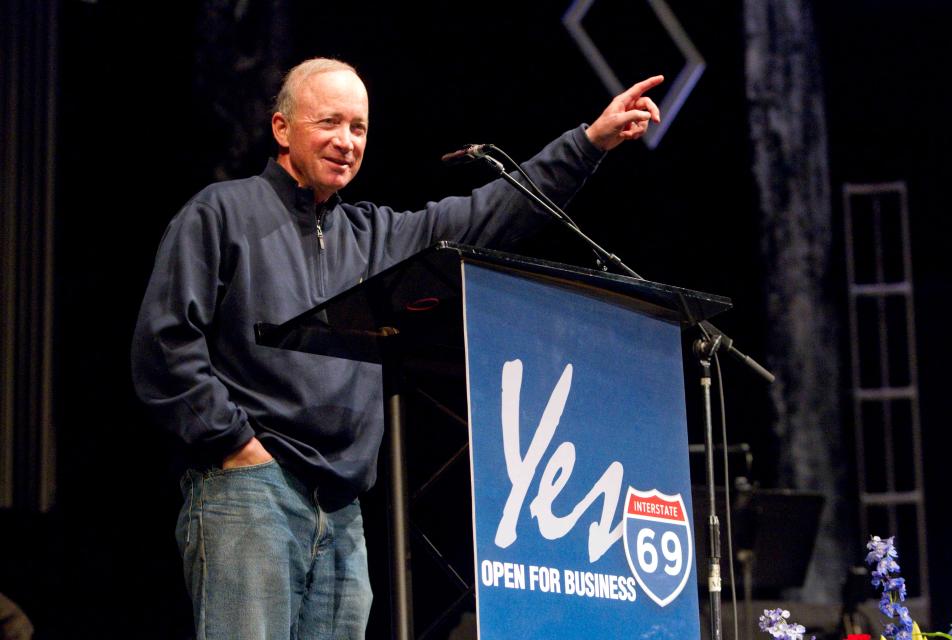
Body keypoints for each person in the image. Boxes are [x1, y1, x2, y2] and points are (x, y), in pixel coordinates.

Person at [131, 57, 662, 640]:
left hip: (343, 509)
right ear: (282, 129)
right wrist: (236, 443)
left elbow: (488, 213)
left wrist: (590, 143)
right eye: (329, 123)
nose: (346, 142)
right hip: (250, 491)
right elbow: (164, 344)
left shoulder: (374, 235)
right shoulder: (221, 211)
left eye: (358, 128)